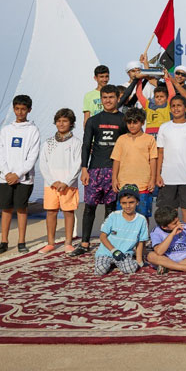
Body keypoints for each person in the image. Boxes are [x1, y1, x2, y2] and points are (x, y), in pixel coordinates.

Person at [69, 85, 127, 257]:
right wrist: (84, 169)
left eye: (111, 97)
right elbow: (86, 145)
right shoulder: (93, 120)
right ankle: (84, 243)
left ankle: (109, 242)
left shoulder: (124, 120)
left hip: (114, 170)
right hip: (94, 170)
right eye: (105, 97)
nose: (108, 100)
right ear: (101, 99)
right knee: (90, 207)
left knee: (111, 208)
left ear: (118, 98)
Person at [0, 95, 41, 255]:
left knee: (21, 209)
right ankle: (4, 242)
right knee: (6, 209)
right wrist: (7, 173)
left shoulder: (33, 130)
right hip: (6, 177)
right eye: (17, 109)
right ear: (13, 109)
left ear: (29, 110)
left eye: (23, 109)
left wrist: (18, 174)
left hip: (24, 178)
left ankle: (21, 242)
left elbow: (32, 156)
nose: (20, 112)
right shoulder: (6, 130)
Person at [38, 108, 81, 255]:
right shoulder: (48, 142)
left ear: (71, 123)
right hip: (51, 185)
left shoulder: (76, 142)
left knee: (68, 213)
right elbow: (43, 164)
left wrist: (66, 182)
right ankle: (50, 243)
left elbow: (77, 164)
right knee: (51, 212)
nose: (61, 124)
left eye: (65, 121)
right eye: (58, 121)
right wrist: (52, 181)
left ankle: (68, 243)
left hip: (69, 185)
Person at [156, 95, 186, 228]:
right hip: (168, 177)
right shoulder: (164, 127)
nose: (176, 108)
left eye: (179, 105)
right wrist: (158, 175)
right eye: (173, 106)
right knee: (170, 211)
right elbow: (160, 152)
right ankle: (172, 238)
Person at [111, 107, 157, 220]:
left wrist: (152, 179)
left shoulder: (150, 139)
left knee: (143, 215)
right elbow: (116, 160)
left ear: (142, 122)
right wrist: (114, 179)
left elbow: (153, 160)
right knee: (123, 216)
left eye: (135, 122)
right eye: (129, 122)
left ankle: (143, 232)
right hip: (124, 184)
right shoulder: (121, 139)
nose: (132, 125)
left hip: (143, 184)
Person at [93, 184, 148, 276]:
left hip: (124, 253)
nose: (128, 206)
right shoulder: (113, 216)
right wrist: (114, 251)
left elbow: (140, 242)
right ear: (120, 203)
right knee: (100, 270)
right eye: (124, 203)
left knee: (131, 269)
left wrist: (139, 261)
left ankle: (121, 263)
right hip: (106, 252)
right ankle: (109, 263)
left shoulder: (141, 220)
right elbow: (103, 237)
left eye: (131, 202)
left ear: (137, 202)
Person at [147, 205, 186, 274]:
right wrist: (172, 234)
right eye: (175, 223)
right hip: (167, 257)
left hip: (184, 255)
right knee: (151, 256)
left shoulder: (185, 226)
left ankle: (168, 268)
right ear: (164, 227)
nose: (178, 224)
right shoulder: (156, 232)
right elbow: (159, 252)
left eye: (178, 220)